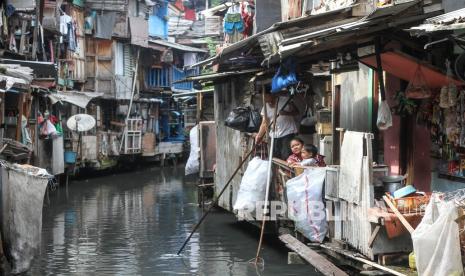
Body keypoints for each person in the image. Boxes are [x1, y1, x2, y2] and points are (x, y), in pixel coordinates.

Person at [255, 92, 298, 160]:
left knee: (286, 155)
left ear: (272, 94)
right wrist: (259, 135)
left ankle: (286, 170)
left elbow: (296, 112)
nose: (265, 99)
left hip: (287, 132)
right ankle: (277, 170)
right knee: (274, 156)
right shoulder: (265, 107)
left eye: (266, 96)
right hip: (274, 134)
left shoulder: (286, 100)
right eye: (263, 97)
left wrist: (286, 113)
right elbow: (264, 123)